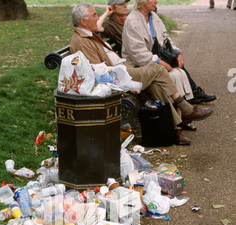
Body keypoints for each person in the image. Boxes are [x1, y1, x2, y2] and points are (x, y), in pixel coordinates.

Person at [70, 3, 213, 145]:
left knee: (158, 87)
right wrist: (125, 84)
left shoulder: (88, 35)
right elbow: (98, 73)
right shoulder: (83, 41)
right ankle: (186, 109)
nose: (97, 18)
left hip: (123, 69)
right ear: (83, 21)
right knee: (158, 69)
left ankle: (174, 131)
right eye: (94, 15)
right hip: (119, 75)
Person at [122, 0, 216, 107]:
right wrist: (159, 62)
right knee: (175, 75)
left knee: (179, 73)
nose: (156, 1)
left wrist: (177, 52)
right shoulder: (132, 21)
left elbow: (166, 38)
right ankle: (181, 110)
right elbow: (137, 54)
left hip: (156, 60)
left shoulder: (154, 17)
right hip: (139, 66)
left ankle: (182, 115)